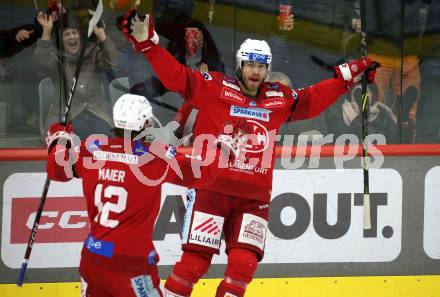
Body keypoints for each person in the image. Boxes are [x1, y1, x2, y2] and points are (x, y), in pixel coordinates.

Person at [122, 10, 378, 297]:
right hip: (211, 189)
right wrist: (149, 47)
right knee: (194, 263)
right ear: (240, 66)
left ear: (267, 69)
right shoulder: (215, 87)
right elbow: (177, 77)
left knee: (243, 266)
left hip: (253, 197)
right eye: (250, 65)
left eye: (261, 66)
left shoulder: (278, 98)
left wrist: (347, 79)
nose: (255, 71)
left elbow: (311, 100)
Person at [45, 93, 239, 296]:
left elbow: (56, 169)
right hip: (132, 265)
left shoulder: (91, 149)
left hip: (93, 259)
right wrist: (223, 150)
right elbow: (201, 173)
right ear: (146, 123)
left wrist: (59, 139)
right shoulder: (155, 156)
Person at [34, 12, 120, 139]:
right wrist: (47, 32)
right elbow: (41, 65)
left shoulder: (93, 51)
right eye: (67, 34)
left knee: (107, 136)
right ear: (61, 40)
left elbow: (114, 63)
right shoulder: (55, 56)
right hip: (67, 113)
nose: (72, 37)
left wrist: (102, 36)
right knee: (77, 136)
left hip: (97, 111)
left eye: (74, 33)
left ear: (80, 36)